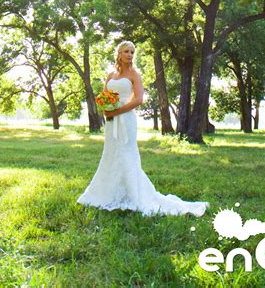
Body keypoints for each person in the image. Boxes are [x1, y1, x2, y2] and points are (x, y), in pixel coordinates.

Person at [76, 40, 209, 217]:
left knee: (126, 154)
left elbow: (138, 100)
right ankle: (108, 193)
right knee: (111, 154)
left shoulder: (134, 75)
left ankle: (135, 194)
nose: (130, 55)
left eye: (132, 52)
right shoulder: (111, 75)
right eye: (126, 51)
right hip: (111, 121)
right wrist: (107, 110)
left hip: (126, 119)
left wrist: (117, 111)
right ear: (119, 54)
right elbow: (105, 96)